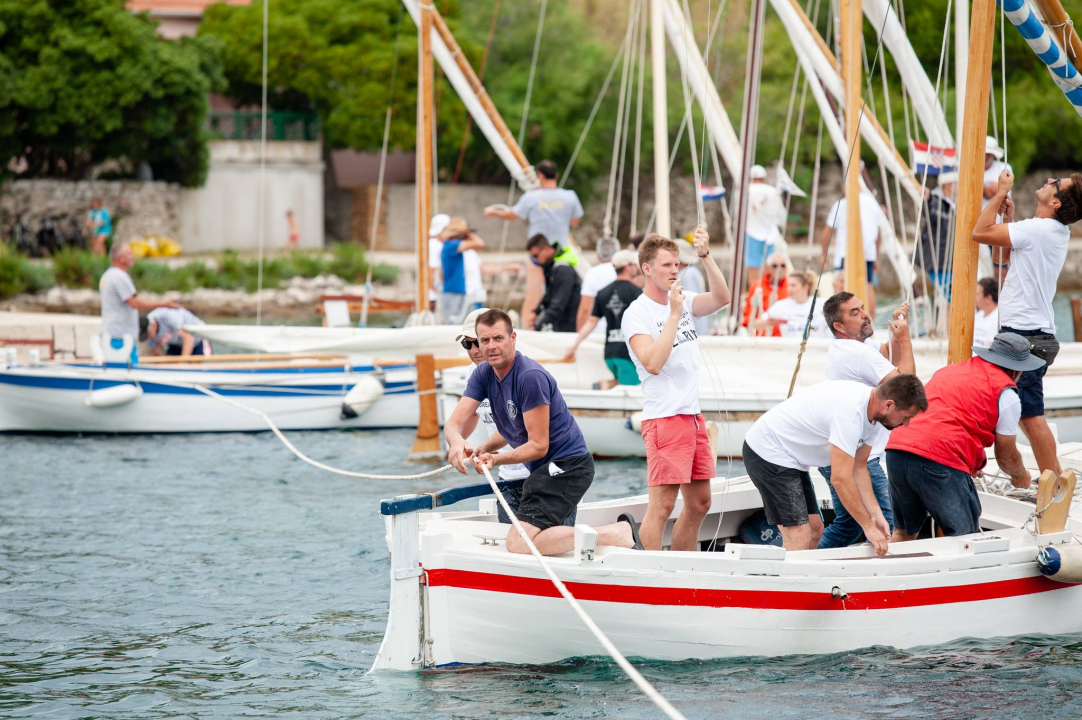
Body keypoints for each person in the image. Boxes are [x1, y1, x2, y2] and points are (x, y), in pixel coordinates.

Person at [444, 309, 639, 555]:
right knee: (525, 544)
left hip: (568, 467)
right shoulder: (483, 374)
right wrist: (460, 442)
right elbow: (456, 422)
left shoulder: (530, 377)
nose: (490, 346)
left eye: (498, 338)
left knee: (517, 544)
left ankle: (618, 533)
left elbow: (538, 445)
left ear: (513, 338)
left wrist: (495, 458)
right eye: (484, 341)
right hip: (541, 471)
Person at [622, 227, 732, 551]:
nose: (674, 271)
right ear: (647, 268)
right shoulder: (637, 314)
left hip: (692, 416)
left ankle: (684, 566)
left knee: (700, 503)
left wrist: (706, 257)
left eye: (677, 265)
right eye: (667, 265)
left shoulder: (682, 301)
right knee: (663, 507)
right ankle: (649, 575)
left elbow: (722, 298)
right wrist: (673, 315)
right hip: (664, 418)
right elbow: (652, 363)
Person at [973, 169, 1082, 476]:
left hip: (1025, 335)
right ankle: (1047, 479)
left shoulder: (1039, 230)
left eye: (1055, 184)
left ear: (1057, 202)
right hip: (1033, 333)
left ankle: (1056, 485)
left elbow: (978, 233)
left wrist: (997, 194)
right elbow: (1004, 260)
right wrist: (1008, 220)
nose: (1049, 181)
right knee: (1014, 410)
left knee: (1030, 415)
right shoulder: (1053, 232)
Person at [743, 375, 928, 555]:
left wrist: (875, 514)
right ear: (889, 405)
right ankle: (788, 584)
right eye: (906, 417)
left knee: (815, 531)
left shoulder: (874, 417)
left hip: (792, 457)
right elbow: (840, 479)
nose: (907, 424)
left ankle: (804, 578)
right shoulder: (849, 414)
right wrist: (867, 527)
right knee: (799, 535)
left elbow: (859, 468)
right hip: (768, 450)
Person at [886, 333, 1040, 539]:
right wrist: (1021, 477)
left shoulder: (951, 370)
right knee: (965, 538)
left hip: (898, 448)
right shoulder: (1007, 394)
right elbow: (1006, 457)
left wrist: (971, 463)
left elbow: (951, 417)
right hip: (938, 456)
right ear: (1016, 371)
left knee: (904, 532)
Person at [817, 291, 914, 548]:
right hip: (857, 453)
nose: (864, 315)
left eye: (862, 308)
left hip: (847, 447)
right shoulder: (857, 354)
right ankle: (887, 581)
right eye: (855, 313)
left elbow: (885, 354)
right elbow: (906, 388)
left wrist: (896, 332)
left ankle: (815, 561)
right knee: (887, 525)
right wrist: (905, 339)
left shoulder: (853, 345)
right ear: (839, 326)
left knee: (848, 524)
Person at [453, 307, 541, 525]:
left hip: (537, 474)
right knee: (513, 541)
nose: (474, 350)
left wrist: (489, 453)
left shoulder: (524, 374)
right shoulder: (474, 375)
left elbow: (520, 430)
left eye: (478, 342)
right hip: (505, 476)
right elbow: (470, 415)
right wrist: (456, 443)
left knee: (526, 542)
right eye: (468, 344)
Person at [485, 160, 585, 329]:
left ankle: (528, 328)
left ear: (539, 175)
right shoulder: (570, 196)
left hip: (538, 253)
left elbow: (512, 215)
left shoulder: (531, 197)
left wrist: (493, 212)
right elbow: (575, 221)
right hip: (562, 252)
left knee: (533, 293)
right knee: (564, 293)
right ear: (557, 175)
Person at [564, 250, 643, 389]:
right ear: (627, 267)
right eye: (635, 265)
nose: (638, 268)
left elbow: (591, 321)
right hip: (628, 353)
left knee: (620, 384)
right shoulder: (636, 293)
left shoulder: (603, 293)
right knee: (632, 392)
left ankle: (602, 386)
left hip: (610, 353)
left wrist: (575, 343)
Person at [99, 242, 180, 364]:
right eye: (130, 253)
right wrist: (162, 304)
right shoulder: (119, 276)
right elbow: (134, 303)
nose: (133, 256)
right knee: (127, 374)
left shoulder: (108, 275)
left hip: (114, 334)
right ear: (121, 258)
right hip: (120, 337)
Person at [820, 191, 889, 319]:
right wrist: (876, 257)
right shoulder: (873, 203)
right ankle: (870, 321)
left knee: (841, 285)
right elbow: (878, 234)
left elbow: (828, 229)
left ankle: (842, 319)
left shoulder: (841, 204)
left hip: (845, 251)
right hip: (868, 252)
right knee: (868, 285)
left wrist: (824, 253)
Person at [526, 234, 581, 332]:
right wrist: (537, 311)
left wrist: (538, 325)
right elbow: (550, 294)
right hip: (560, 324)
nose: (535, 260)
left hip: (569, 326)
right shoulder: (552, 267)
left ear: (546, 249)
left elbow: (558, 303)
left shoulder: (563, 270)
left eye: (535, 256)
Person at [916, 171, 957, 300]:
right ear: (950, 185)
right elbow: (928, 213)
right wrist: (926, 200)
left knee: (949, 297)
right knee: (950, 297)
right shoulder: (935, 200)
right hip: (937, 260)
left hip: (950, 260)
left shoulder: (955, 204)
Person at [755, 270, 829, 339]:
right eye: (788, 285)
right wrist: (768, 322)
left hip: (817, 350)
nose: (789, 289)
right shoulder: (781, 305)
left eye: (793, 285)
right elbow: (756, 324)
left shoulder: (822, 304)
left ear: (805, 287)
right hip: (789, 351)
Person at [744, 164, 787, 286]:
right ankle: (769, 293)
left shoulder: (745, 190)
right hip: (770, 234)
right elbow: (781, 215)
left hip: (751, 233)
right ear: (764, 177)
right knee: (771, 266)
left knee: (753, 266)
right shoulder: (772, 191)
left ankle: (754, 292)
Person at [439, 217, 485, 325]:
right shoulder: (451, 246)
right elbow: (479, 243)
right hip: (453, 292)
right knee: (453, 326)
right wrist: (467, 233)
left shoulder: (451, 246)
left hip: (457, 291)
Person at [577, 236, 620, 337]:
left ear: (598, 255)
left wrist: (580, 336)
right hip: (620, 332)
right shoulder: (625, 272)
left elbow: (585, 309)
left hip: (597, 331)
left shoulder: (592, 273)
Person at [742, 251, 790, 336]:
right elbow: (748, 313)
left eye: (783, 265)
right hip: (761, 334)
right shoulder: (757, 286)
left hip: (785, 334)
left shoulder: (791, 286)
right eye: (775, 266)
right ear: (767, 267)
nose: (780, 269)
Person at [143, 307, 208, 356]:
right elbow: (159, 355)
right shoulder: (145, 334)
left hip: (198, 338)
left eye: (148, 334)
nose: (148, 337)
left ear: (152, 325)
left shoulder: (166, 316)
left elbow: (189, 338)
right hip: (176, 344)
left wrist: (182, 364)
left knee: (193, 365)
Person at [677, 240, 709, 337]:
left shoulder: (686, 274)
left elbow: (689, 304)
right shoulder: (693, 271)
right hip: (699, 327)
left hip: (694, 330)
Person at [428, 214, 451, 312]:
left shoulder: (435, 243)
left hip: (438, 291)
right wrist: (434, 290)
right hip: (435, 294)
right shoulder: (435, 244)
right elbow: (431, 270)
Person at [973, 277, 999, 349]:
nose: (975, 298)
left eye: (977, 294)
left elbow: (991, 350)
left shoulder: (998, 319)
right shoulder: (978, 315)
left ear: (988, 298)